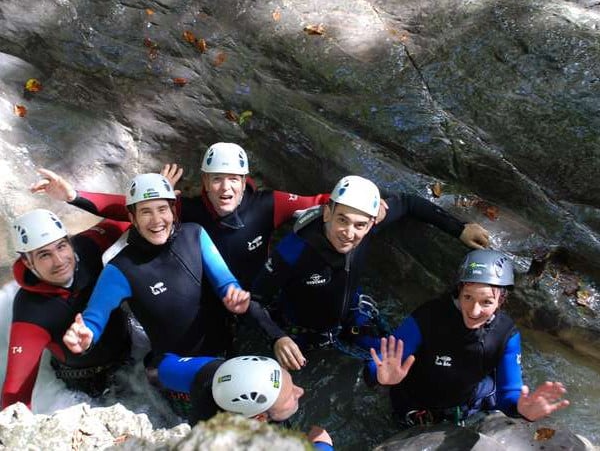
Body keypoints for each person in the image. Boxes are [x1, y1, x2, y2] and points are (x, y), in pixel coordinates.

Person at [32, 142, 331, 353]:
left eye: (233, 180)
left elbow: (318, 203)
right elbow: (128, 209)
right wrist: (73, 196)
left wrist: (369, 207)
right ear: (204, 182)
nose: (225, 189)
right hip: (208, 306)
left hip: (249, 299)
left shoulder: (267, 204)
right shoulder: (186, 215)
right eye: (217, 180)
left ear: (244, 181)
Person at [249, 175, 491, 370]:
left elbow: (408, 203)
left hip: (352, 315)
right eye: (342, 220)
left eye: (360, 225)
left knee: (402, 359)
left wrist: (459, 229)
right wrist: (277, 337)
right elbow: (254, 300)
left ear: (371, 223)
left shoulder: (369, 223)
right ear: (327, 213)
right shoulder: (294, 250)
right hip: (302, 332)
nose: (349, 233)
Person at [61, 173, 251, 418]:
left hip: (222, 350)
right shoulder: (120, 269)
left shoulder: (194, 235)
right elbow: (94, 317)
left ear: (173, 210)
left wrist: (234, 295)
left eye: (162, 209)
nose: (157, 220)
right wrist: (86, 335)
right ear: (133, 218)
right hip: (177, 371)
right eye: (146, 212)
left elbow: (224, 281)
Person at [367, 249, 570, 426]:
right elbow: (375, 365)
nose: (474, 310)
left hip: (465, 407)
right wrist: (381, 377)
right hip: (414, 407)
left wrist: (522, 409)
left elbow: (508, 394)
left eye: (486, 302)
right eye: (468, 297)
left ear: (501, 301)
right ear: (459, 291)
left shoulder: (506, 334)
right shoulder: (428, 318)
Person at [2, 209, 131, 409]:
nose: (59, 260)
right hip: (86, 384)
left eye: (61, 247)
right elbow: (15, 392)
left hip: (133, 354)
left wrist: (75, 196)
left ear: (70, 242)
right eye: (44, 255)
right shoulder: (29, 311)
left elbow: (125, 214)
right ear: (27, 262)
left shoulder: (87, 247)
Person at [156, 354, 333, 450]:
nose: (300, 391)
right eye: (289, 397)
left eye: (292, 384)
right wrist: (323, 446)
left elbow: (162, 366)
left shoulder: (214, 372)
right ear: (260, 418)